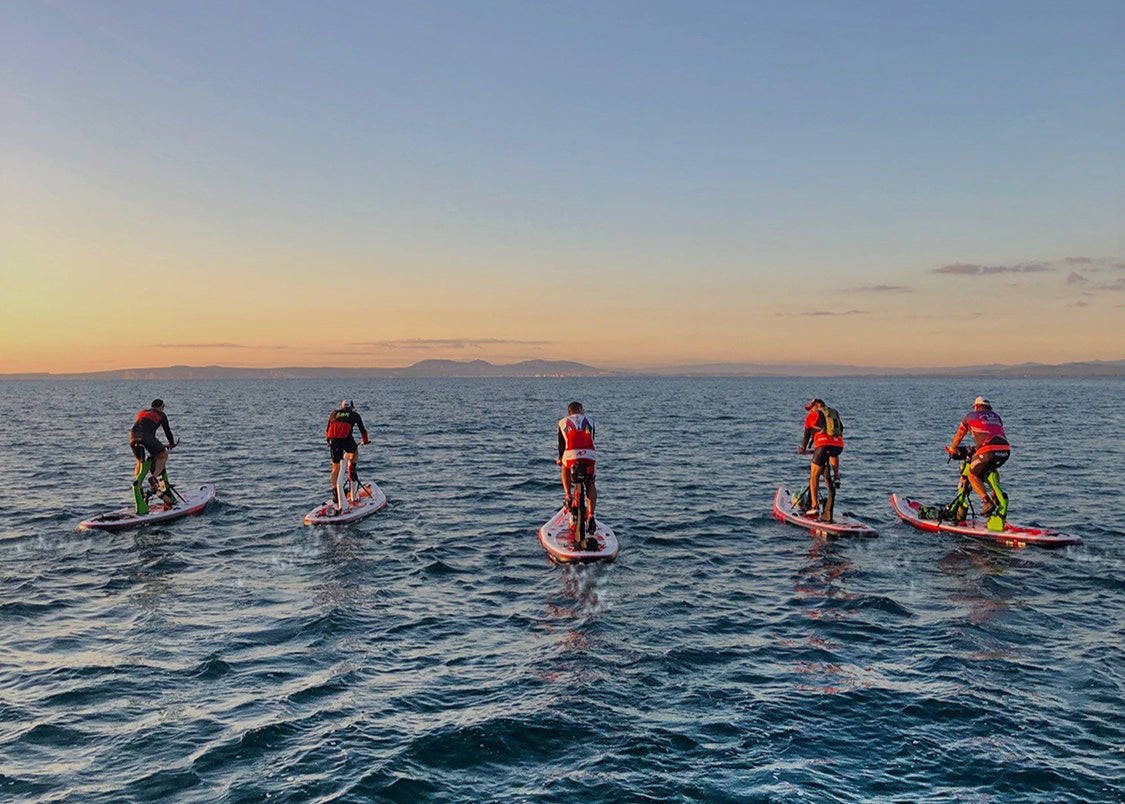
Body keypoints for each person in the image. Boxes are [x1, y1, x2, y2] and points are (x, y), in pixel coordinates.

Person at [948, 395, 1010, 517]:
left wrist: (952, 449)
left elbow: (959, 436)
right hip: (1005, 451)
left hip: (988, 451)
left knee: (972, 474)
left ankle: (986, 502)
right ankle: (995, 495)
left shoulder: (970, 416)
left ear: (976, 407)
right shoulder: (997, 417)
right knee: (991, 469)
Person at [797, 398, 844, 520]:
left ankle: (814, 506)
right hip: (838, 446)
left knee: (814, 475)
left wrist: (803, 448)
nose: (809, 411)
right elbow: (841, 429)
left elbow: (806, 434)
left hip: (822, 446)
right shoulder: (833, 413)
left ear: (817, 406)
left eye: (810, 408)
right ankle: (837, 476)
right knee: (832, 453)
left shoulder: (813, 415)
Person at [556, 401, 597, 534]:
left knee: (564, 467)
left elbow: (561, 446)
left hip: (571, 455)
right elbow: (591, 439)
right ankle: (591, 515)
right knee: (590, 482)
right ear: (580, 409)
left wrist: (560, 459)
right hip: (589, 455)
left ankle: (568, 496)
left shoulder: (562, 422)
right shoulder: (590, 420)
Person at [129, 398, 177, 508]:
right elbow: (167, 431)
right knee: (163, 455)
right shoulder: (161, 414)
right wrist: (172, 443)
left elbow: (145, 427)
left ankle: (139, 486)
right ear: (161, 407)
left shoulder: (142, 413)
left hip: (132, 437)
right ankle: (154, 478)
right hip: (146, 437)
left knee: (140, 463)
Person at [325, 399, 369, 512]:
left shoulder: (333, 414)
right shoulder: (354, 415)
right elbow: (363, 431)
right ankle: (352, 470)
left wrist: (329, 441)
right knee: (354, 452)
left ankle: (335, 493)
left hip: (333, 441)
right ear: (352, 407)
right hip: (346, 440)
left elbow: (327, 431)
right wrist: (365, 441)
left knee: (335, 468)